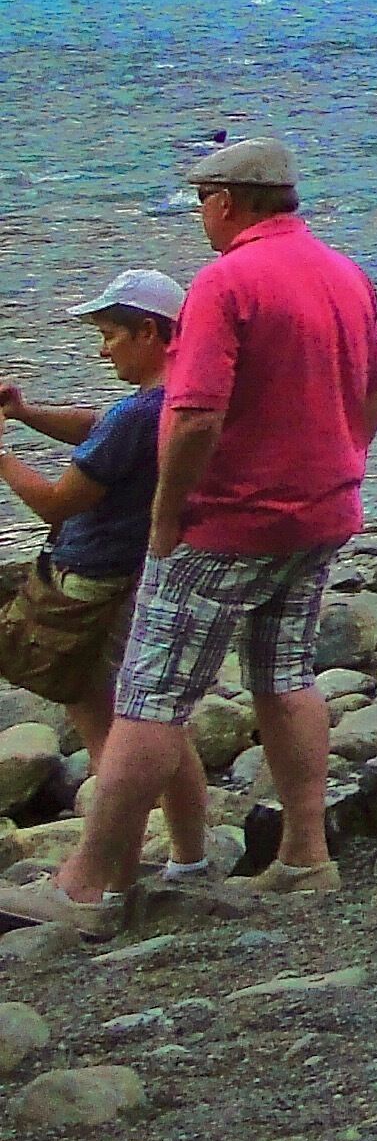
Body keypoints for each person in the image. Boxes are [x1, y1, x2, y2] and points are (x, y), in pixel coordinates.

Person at [0, 140, 377, 938]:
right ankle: (305, 857)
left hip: (229, 524)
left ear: (225, 201)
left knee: (149, 699)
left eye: (202, 199)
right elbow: (376, 389)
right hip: (320, 515)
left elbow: (194, 416)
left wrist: (169, 513)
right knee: (283, 676)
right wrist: (341, 463)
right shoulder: (344, 273)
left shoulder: (226, 281)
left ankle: (84, 888)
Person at [0, 271, 212, 879]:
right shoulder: (175, 401)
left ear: (150, 332)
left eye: (110, 335)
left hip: (90, 587)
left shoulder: (137, 416)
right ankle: (190, 858)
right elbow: (97, 426)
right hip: (143, 574)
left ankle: (111, 876)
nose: (102, 349)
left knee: (109, 738)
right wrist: (25, 413)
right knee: (161, 721)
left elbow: (56, 503)